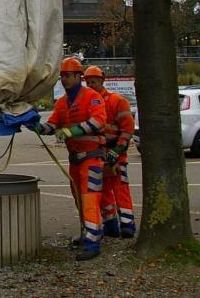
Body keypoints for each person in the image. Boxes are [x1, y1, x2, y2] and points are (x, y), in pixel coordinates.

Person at [30, 57, 106, 260]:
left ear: (78, 76)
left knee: (90, 198)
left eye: (67, 76)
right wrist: (35, 125)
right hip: (76, 159)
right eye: (62, 76)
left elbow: (98, 122)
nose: (64, 80)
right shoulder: (63, 102)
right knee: (79, 198)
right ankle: (88, 233)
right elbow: (53, 125)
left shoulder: (91, 96)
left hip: (92, 156)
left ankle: (92, 242)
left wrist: (71, 131)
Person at [83, 65, 136, 239]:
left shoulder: (117, 101)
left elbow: (127, 130)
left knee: (121, 189)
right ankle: (110, 223)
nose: (91, 85)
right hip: (98, 155)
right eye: (88, 82)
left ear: (102, 80)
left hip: (116, 153)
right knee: (103, 192)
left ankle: (128, 224)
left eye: (94, 82)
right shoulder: (88, 104)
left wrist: (118, 149)